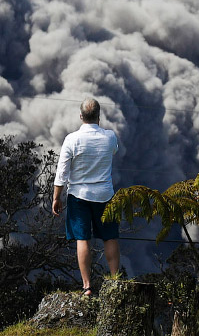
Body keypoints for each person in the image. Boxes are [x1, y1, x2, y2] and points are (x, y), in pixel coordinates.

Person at [52, 98, 121, 295]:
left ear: (81, 116)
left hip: (79, 196)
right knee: (110, 237)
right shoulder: (110, 137)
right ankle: (116, 281)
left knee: (82, 239)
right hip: (105, 195)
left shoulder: (71, 140)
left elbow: (61, 173)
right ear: (99, 117)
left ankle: (87, 286)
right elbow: (113, 151)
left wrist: (56, 197)